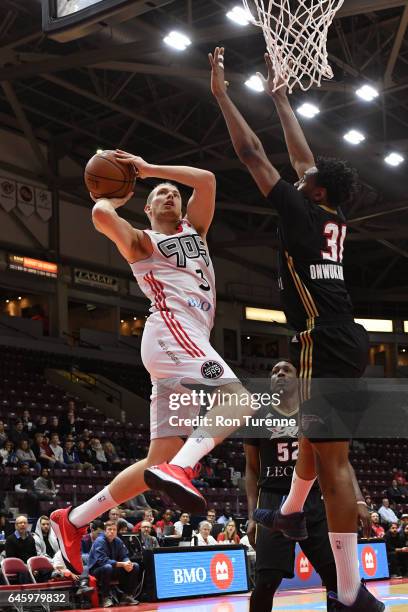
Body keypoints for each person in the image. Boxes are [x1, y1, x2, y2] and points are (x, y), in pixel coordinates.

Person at [209, 46, 383, 611]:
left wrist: (223, 96)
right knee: (312, 436)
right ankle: (287, 513)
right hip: (349, 336)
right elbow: (303, 157)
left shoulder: (304, 212)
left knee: (335, 461)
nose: (299, 176)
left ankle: (350, 595)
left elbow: (251, 152)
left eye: (306, 179)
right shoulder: (331, 214)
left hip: (321, 338)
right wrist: (282, 98)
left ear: (317, 191)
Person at [51, 151, 255, 574]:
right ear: (145, 206)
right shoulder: (143, 240)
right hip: (171, 333)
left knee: (154, 461)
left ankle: (72, 521)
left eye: (173, 194)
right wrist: (107, 196)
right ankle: (183, 468)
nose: (168, 196)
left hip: (184, 342)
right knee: (238, 399)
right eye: (159, 194)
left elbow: (208, 179)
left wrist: (148, 169)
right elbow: (101, 218)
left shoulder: (195, 232)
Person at [88, 521, 139, 607]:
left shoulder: (117, 540)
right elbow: (102, 561)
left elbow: (124, 555)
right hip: (97, 570)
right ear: (105, 531)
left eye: (114, 530)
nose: (112, 531)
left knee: (135, 566)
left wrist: (127, 562)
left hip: (112, 568)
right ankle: (105, 598)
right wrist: (122, 564)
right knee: (107, 567)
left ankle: (127, 595)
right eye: (109, 529)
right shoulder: (99, 541)